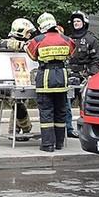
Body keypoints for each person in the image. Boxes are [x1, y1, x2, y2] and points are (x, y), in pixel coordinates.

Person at [26, 12, 75, 152]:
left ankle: (47, 144)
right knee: (60, 111)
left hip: (45, 78)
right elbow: (72, 53)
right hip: (61, 77)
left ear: (41, 25)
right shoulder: (66, 39)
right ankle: (59, 143)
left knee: (46, 112)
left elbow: (32, 56)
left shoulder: (38, 40)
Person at [0, 18, 37, 140]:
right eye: (28, 32)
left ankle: (13, 131)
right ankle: (26, 128)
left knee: (20, 105)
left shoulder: (28, 45)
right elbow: (3, 43)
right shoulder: (8, 42)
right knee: (18, 106)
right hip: (9, 82)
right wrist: (23, 45)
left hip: (23, 80)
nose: (30, 35)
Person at [65, 11, 99, 138]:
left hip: (85, 76)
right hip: (69, 75)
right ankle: (68, 129)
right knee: (66, 103)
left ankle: (86, 129)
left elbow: (96, 60)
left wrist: (92, 75)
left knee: (85, 104)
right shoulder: (67, 40)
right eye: (74, 21)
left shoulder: (91, 40)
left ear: (84, 23)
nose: (76, 24)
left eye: (78, 21)